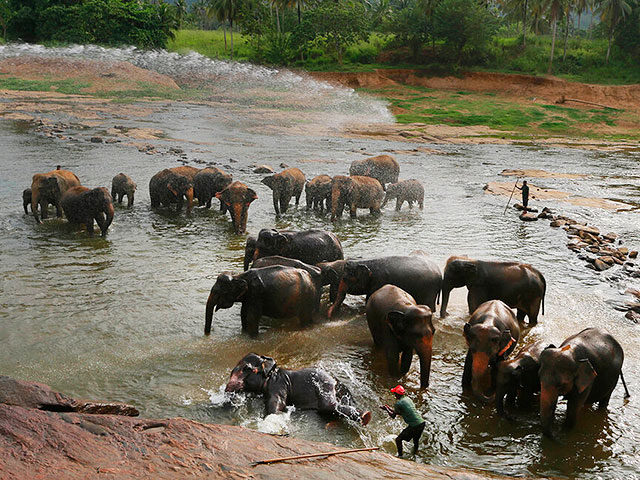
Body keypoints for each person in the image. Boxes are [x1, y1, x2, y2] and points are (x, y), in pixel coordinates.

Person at [380, 385, 426, 457]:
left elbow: (393, 416)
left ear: (397, 394)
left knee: (398, 439)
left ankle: (400, 456)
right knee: (415, 441)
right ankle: (415, 454)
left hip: (414, 425)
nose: (394, 395)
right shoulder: (408, 399)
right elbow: (402, 412)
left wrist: (386, 409)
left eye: (395, 393)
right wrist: (389, 408)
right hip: (421, 423)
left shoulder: (398, 403)